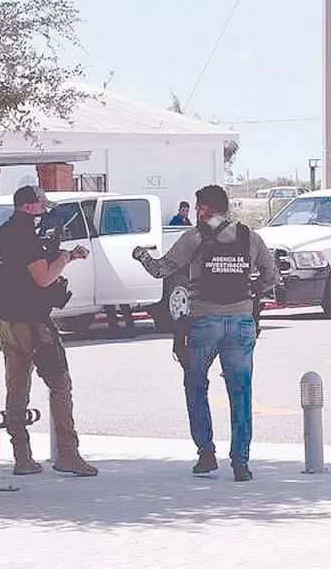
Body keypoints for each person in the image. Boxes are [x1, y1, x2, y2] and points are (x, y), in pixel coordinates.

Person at [131, 185, 280, 482]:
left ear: (206, 209)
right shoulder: (250, 237)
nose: (197, 212)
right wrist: (250, 293)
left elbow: (161, 270)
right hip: (241, 323)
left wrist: (141, 256)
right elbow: (271, 277)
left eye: (199, 207)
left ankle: (206, 454)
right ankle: (241, 463)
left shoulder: (195, 238)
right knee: (241, 393)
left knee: (196, 386)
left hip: (204, 323)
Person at [0, 185, 97, 477]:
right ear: (27, 206)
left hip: (6, 322)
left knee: (16, 390)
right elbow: (43, 278)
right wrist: (63, 258)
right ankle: (68, 453)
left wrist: (61, 256)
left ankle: (22, 457)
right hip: (33, 325)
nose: (44, 210)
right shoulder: (24, 235)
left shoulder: (0, 235)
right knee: (60, 385)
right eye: (40, 206)